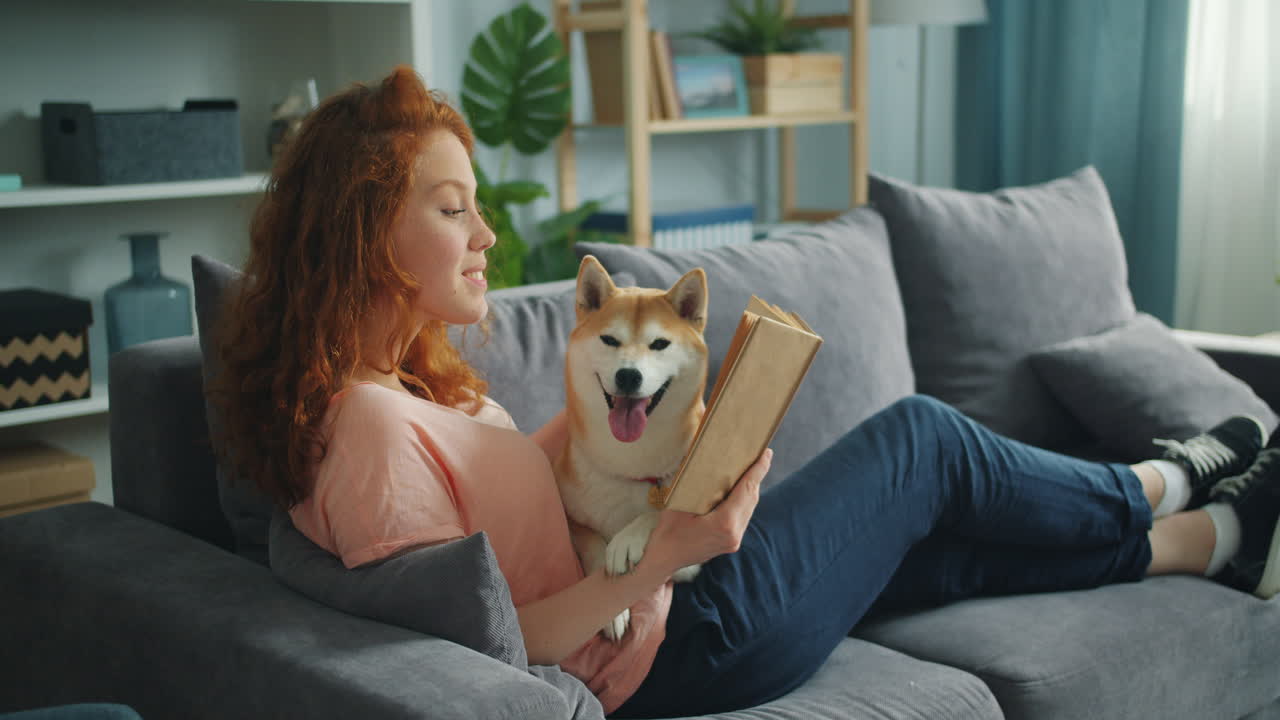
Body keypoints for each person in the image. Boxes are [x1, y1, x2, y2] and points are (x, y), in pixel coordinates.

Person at [212, 66, 1280, 718]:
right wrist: (668, 556)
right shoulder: (366, 432)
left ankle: (1223, 540)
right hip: (677, 651)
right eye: (452, 210)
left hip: (669, 596)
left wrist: (643, 445)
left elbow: (524, 517)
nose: (486, 234)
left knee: (938, 547)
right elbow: (487, 648)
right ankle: (1154, 481)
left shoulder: (400, 386)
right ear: (365, 231)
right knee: (919, 445)